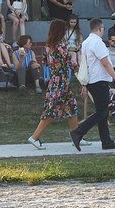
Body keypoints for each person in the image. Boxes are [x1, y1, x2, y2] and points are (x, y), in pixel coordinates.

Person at [70, 18, 115, 151]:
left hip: (92, 80)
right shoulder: (98, 42)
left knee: (103, 112)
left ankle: (106, 141)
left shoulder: (86, 42)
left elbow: (85, 64)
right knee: (102, 112)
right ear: (100, 28)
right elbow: (105, 62)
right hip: (99, 80)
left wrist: (84, 85)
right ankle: (78, 132)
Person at [26, 20, 84, 149]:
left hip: (55, 81)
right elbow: (70, 63)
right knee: (51, 110)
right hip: (61, 83)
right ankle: (34, 137)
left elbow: (45, 62)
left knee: (71, 107)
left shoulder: (49, 46)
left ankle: (77, 136)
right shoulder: (60, 47)